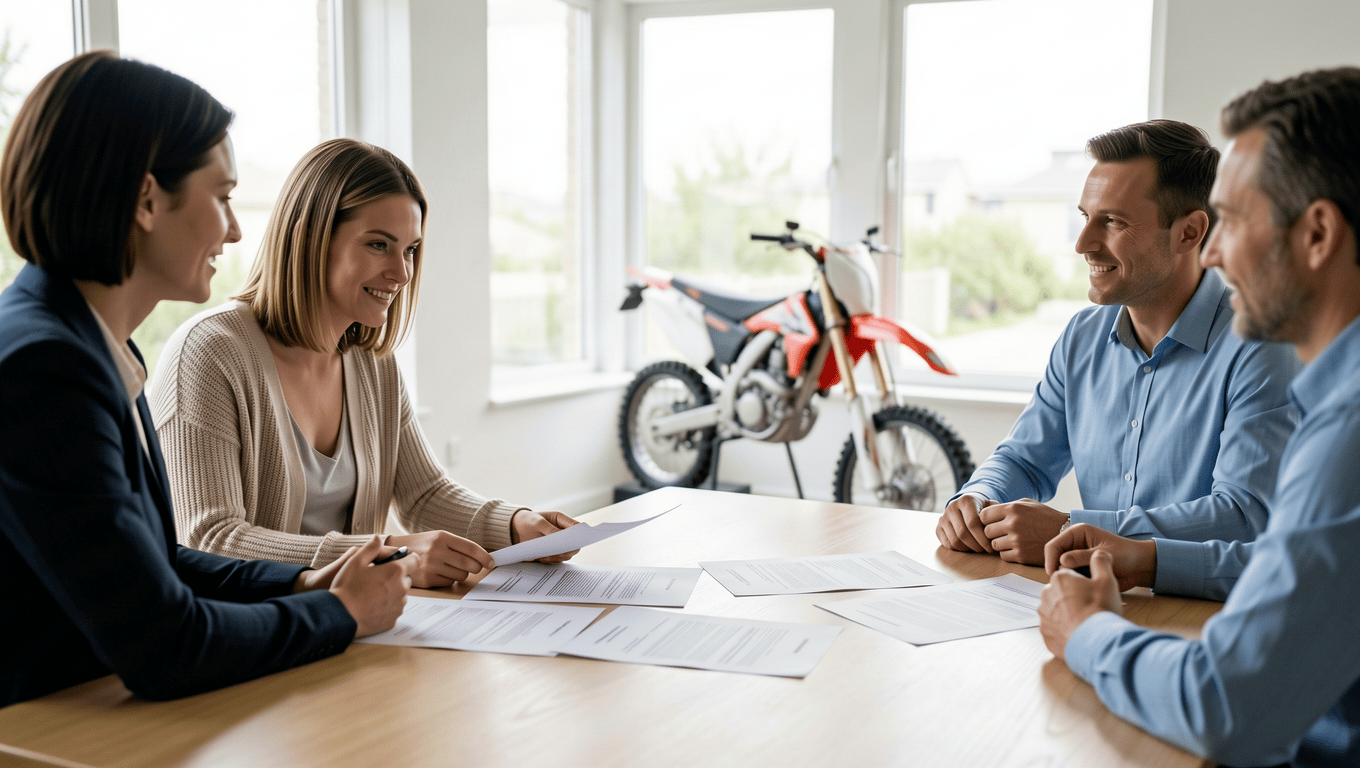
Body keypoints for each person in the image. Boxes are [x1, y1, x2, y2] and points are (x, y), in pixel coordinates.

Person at [0, 52, 418, 707]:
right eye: (222, 197)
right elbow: (165, 645)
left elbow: (160, 564)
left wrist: (303, 583)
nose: (236, 227)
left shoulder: (92, 344)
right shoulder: (43, 369)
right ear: (146, 200)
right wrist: (342, 613)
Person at [1039, 67, 1360, 767]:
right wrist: (1153, 557)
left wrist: (1087, 633)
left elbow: (1226, 706)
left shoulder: (1349, 429)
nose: (1212, 252)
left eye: (1233, 221)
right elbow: (1296, 564)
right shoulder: (1336, 399)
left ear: (1317, 234)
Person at [148, 138, 578, 588]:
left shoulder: (373, 364)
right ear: (310, 239)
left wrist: (514, 524)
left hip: (355, 619)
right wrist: (388, 555)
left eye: (409, 249)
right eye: (378, 245)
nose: (403, 273)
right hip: (256, 625)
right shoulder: (208, 354)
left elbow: (423, 494)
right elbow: (210, 540)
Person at [935, 119, 1300, 565]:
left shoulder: (1262, 347)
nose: (1083, 244)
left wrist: (1073, 531)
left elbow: (1244, 516)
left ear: (1189, 232)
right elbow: (1025, 461)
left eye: (1112, 222)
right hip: (1090, 595)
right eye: (1085, 217)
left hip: (1196, 603)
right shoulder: (1081, 338)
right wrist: (978, 496)